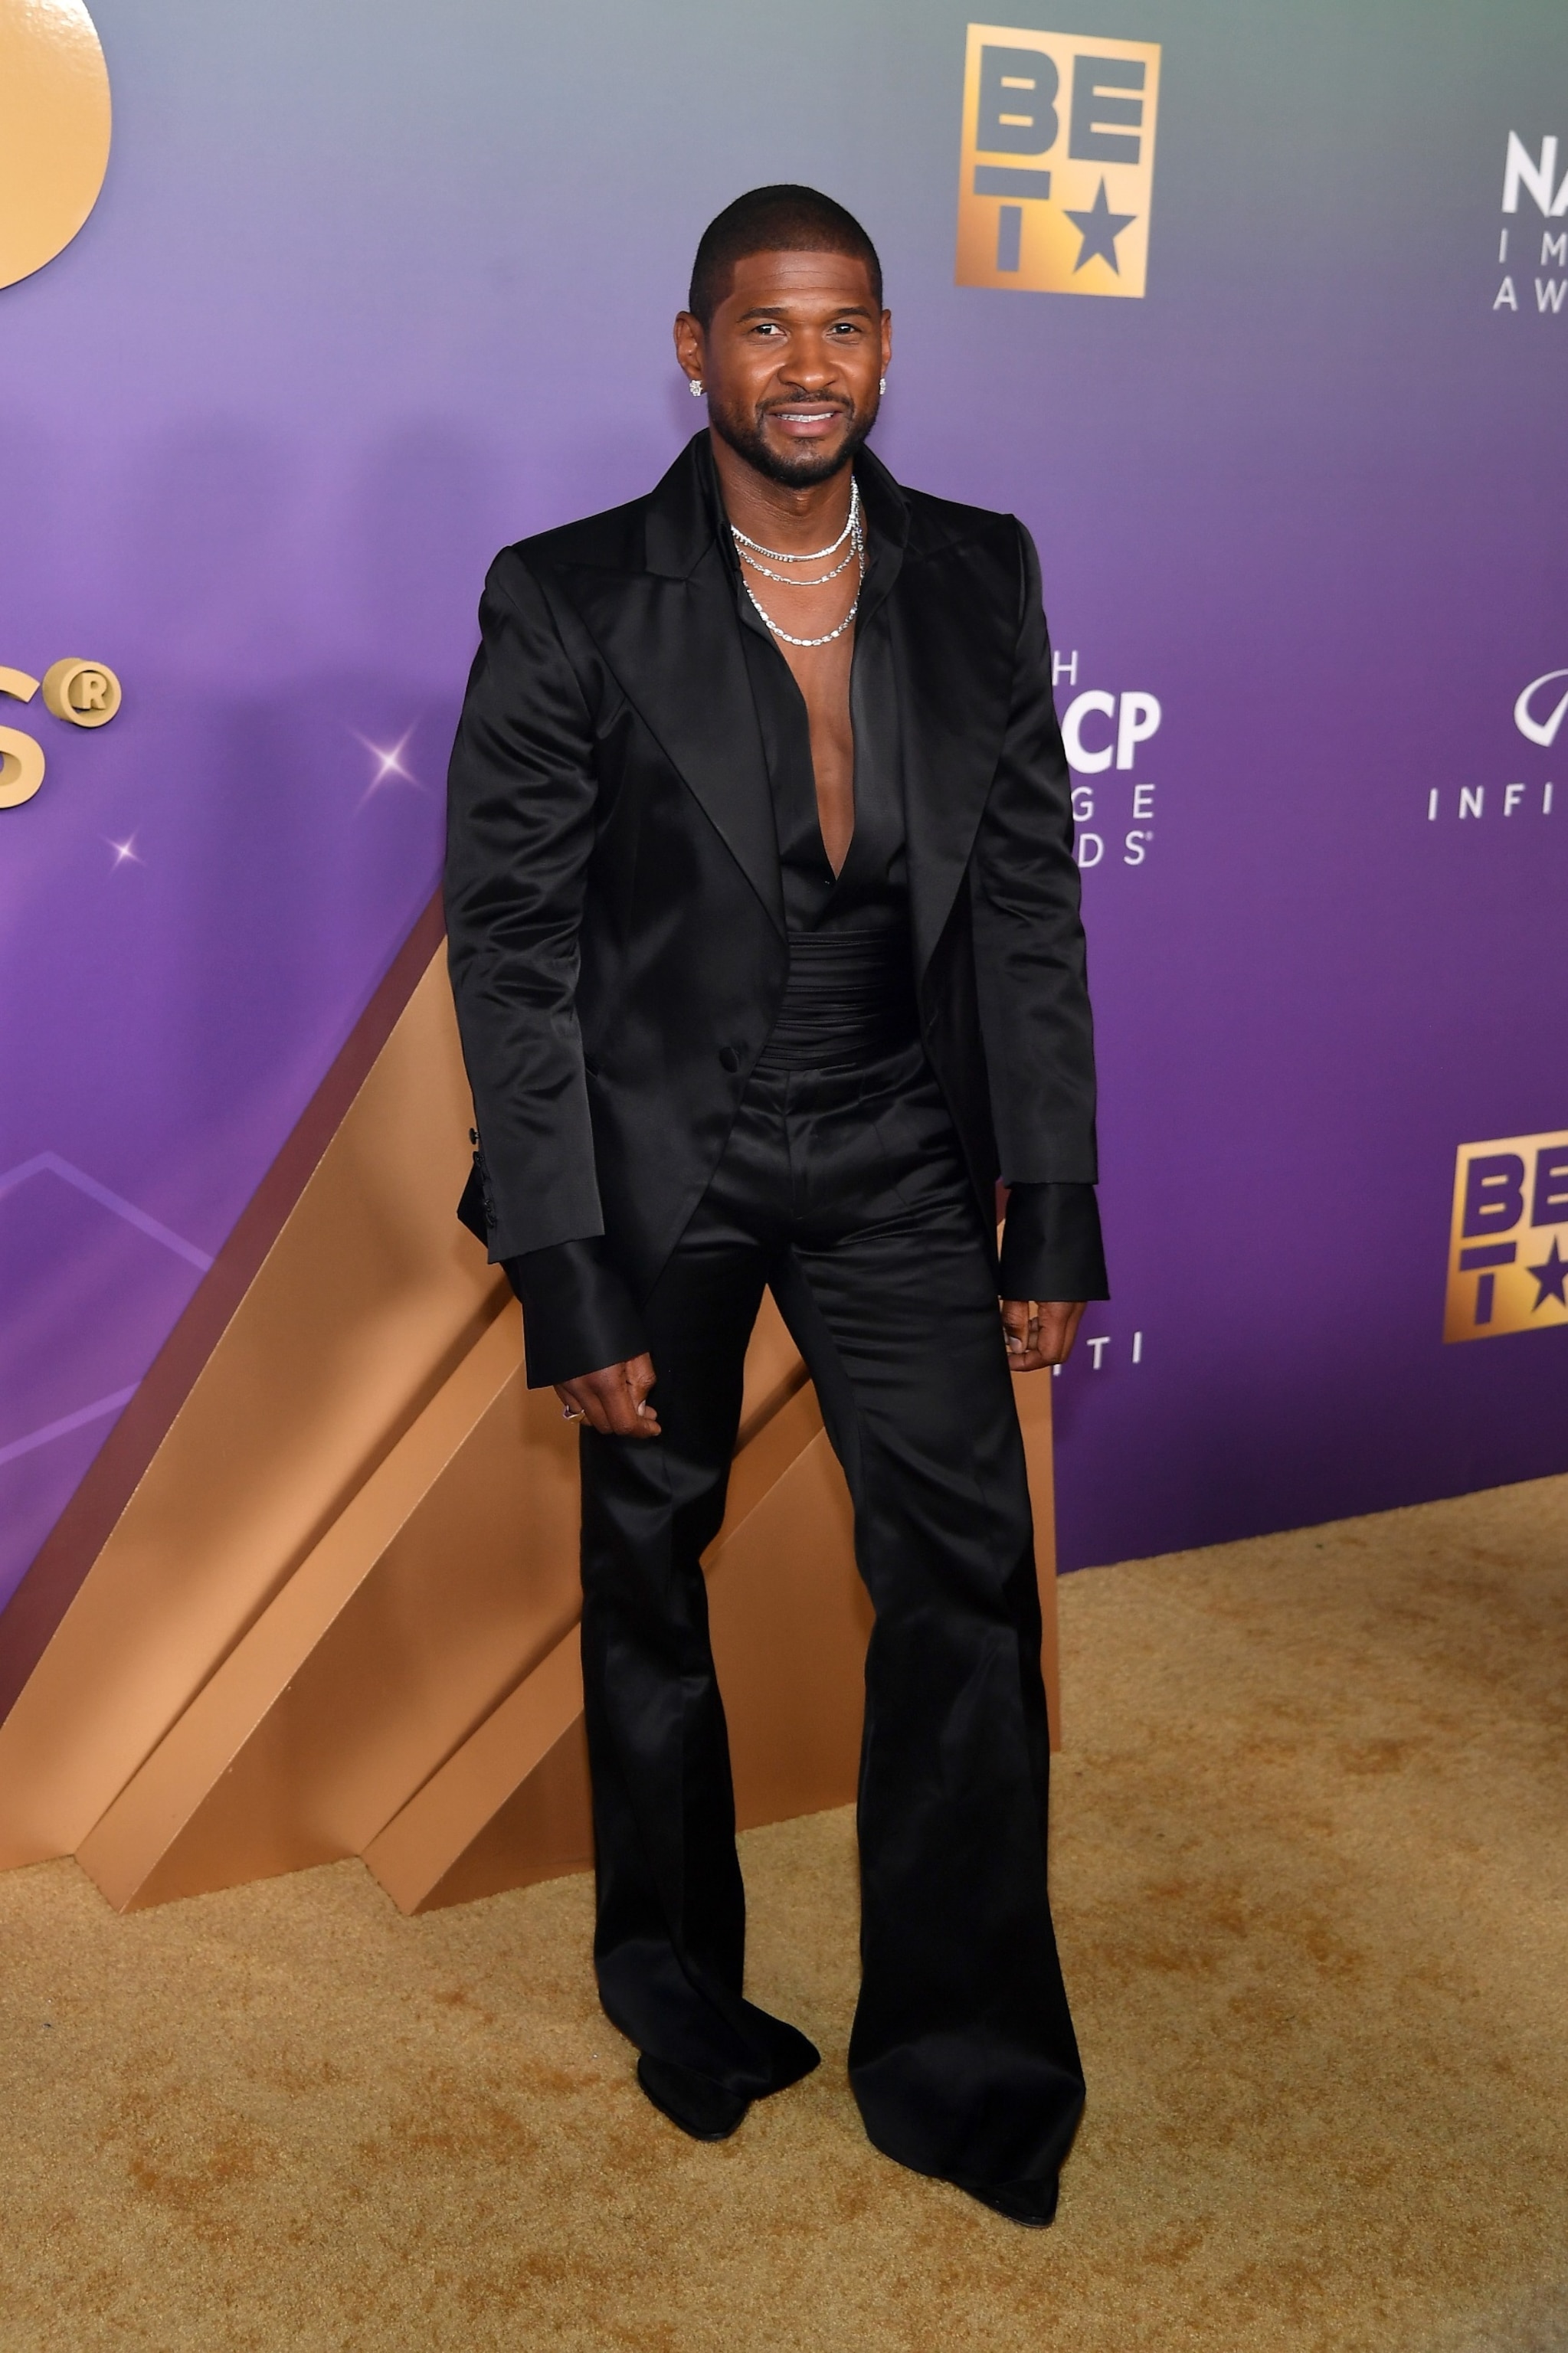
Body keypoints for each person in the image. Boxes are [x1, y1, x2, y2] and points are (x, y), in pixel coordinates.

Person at [444, 185, 1108, 2227]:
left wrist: (1052, 1203)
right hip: (668, 1164)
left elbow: (1024, 905)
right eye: (764, 327)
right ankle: (677, 1988)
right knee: (653, 1571)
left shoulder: (979, 575)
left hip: (900, 1141)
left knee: (971, 1591)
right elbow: (515, 947)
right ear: (694, 347)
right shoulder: (569, 597)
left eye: (842, 328)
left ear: (886, 349)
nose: (804, 366)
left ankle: (964, 2052)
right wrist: (568, 1266)